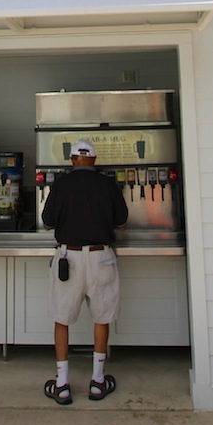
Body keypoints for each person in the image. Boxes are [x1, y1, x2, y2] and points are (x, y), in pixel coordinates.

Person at [41, 139, 128, 405]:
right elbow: (122, 223)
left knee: (62, 318)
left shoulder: (61, 184)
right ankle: (98, 381)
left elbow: (47, 223)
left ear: (72, 160)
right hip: (101, 258)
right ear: (94, 159)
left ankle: (62, 384)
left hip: (69, 258)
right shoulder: (108, 184)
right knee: (101, 318)